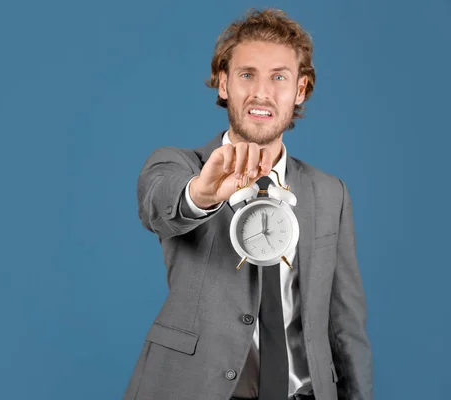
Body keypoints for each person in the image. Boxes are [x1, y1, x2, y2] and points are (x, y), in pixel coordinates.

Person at [123, 8, 372, 400]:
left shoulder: (330, 193)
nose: (262, 92)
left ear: (300, 89)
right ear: (223, 84)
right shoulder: (179, 165)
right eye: (246, 74)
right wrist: (201, 194)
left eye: (279, 77)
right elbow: (158, 203)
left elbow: (345, 326)